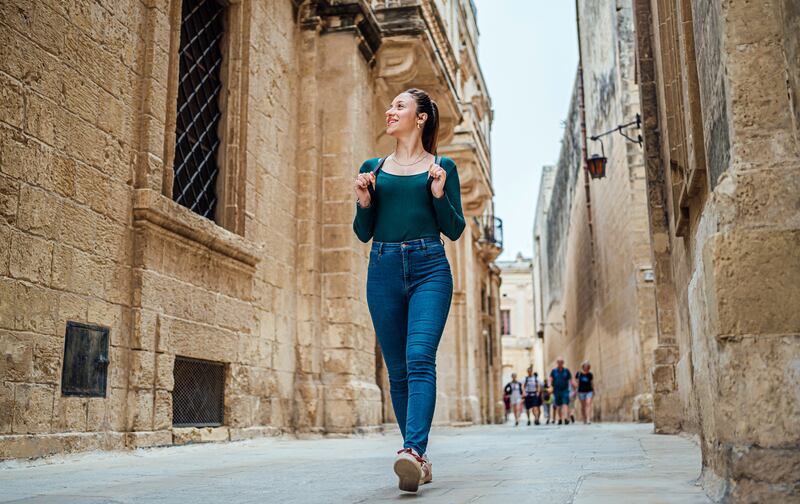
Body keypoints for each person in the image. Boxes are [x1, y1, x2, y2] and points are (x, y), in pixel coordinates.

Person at [353, 88, 466, 493]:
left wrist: (437, 195)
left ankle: (413, 451)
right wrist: (365, 201)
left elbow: (454, 228)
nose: (390, 110)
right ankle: (415, 457)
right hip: (382, 268)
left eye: (400, 106)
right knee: (396, 369)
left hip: (429, 268)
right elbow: (363, 233)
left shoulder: (442, 167)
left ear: (420, 118)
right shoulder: (373, 167)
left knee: (419, 356)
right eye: (391, 105)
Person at [549, 357, 574, 425]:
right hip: (556, 391)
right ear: (557, 363)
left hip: (565, 390)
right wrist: (550, 386)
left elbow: (570, 380)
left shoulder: (566, 371)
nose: (560, 363)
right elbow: (550, 379)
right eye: (558, 362)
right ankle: (560, 418)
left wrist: (573, 387)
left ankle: (565, 418)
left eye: (561, 362)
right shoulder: (554, 371)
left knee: (565, 403)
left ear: (563, 363)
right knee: (558, 405)